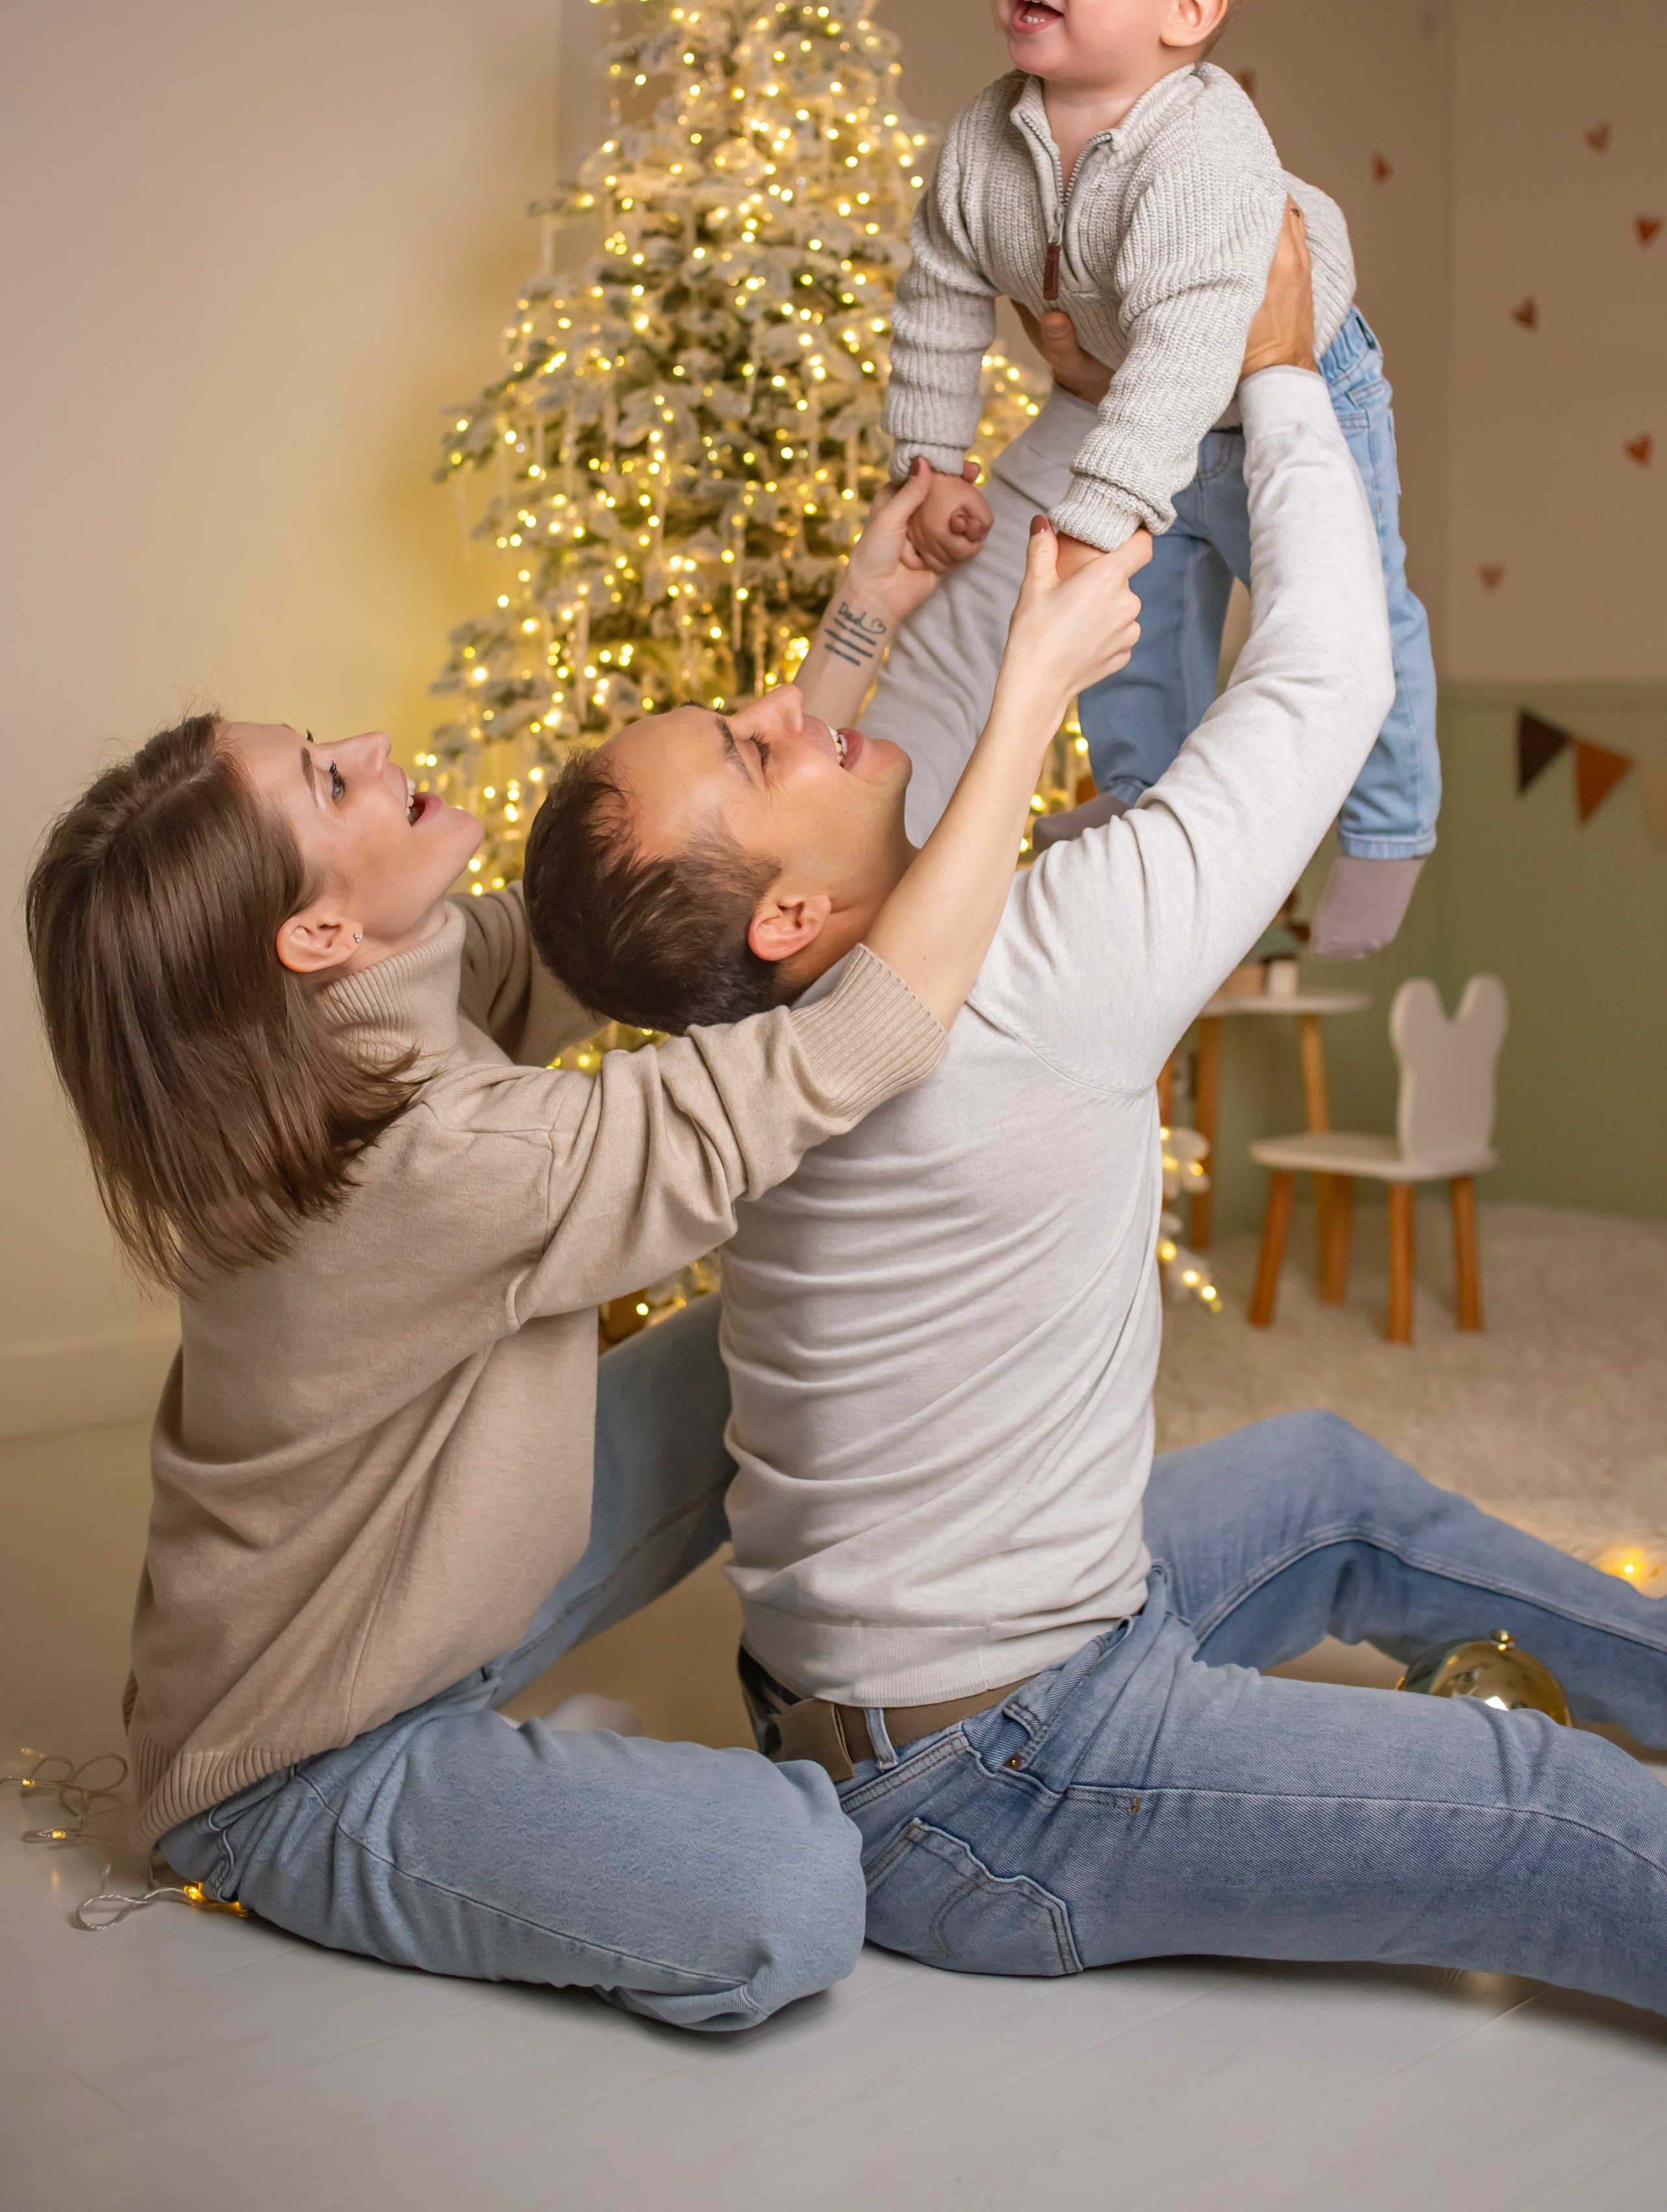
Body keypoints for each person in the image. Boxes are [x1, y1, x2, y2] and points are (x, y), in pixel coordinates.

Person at [527, 211, 1667, 2021]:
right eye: (752, 752)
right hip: (999, 1783)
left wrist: (1095, 421)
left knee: (1325, 1487)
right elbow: (1326, 681)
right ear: (785, 922)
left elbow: (980, 629)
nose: (787, 709)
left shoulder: (749, 1041)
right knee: (1538, 1813)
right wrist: (1280, 370)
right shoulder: (1040, 969)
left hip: (956, 1670)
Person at [24, 472, 1145, 2035]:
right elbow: (851, 1046)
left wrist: (862, 620)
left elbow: (650, 917)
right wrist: (1027, 691)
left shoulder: (351, 1018)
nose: (364, 748)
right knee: (789, 1897)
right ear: (313, 934)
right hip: (299, 1757)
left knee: (736, 1350)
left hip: (418, 1591)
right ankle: (483, 1807)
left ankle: (928, 1631)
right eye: (324, 785)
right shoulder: (434, 1169)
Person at [882, 0, 1439, 960]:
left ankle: (1390, 830)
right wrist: (931, 463)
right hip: (1140, 399)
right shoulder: (984, 142)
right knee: (1135, 627)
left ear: (1188, 13)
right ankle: (1142, 798)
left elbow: (1196, 343)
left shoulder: (1201, 145)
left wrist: (1097, 511)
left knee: (1342, 609)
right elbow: (940, 286)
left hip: (1292, 380)